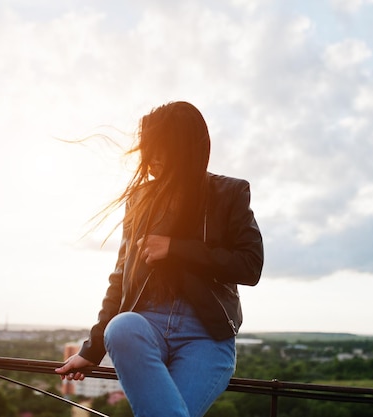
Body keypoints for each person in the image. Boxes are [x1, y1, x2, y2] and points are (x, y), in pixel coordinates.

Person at [55, 101, 264, 417]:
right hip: (145, 325)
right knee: (121, 326)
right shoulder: (140, 200)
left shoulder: (229, 192)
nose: (148, 158)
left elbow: (250, 266)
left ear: (183, 148)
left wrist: (176, 248)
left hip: (205, 337)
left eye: (158, 148)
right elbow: (120, 278)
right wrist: (92, 350)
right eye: (146, 148)